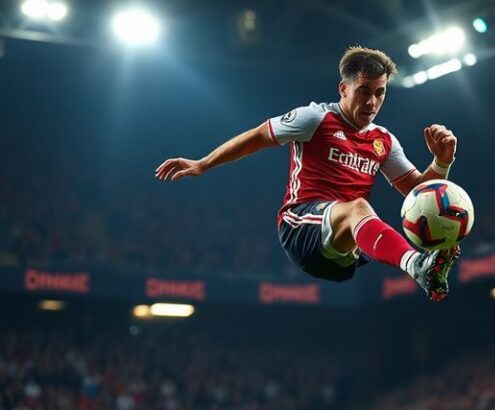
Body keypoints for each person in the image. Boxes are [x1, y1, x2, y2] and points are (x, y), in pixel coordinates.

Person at [156, 46, 462, 301]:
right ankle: (417, 264)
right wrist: (204, 163)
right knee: (359, 207)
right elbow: (258, 136)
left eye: (379, 93)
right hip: (300, 226)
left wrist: (441, 162)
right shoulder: (316, 118)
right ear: (344, 89)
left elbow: (419, 194)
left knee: (357, 210)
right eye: (364, 91)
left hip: (343, 254)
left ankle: (418, 264)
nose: (372, 102)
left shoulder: (384, 141)